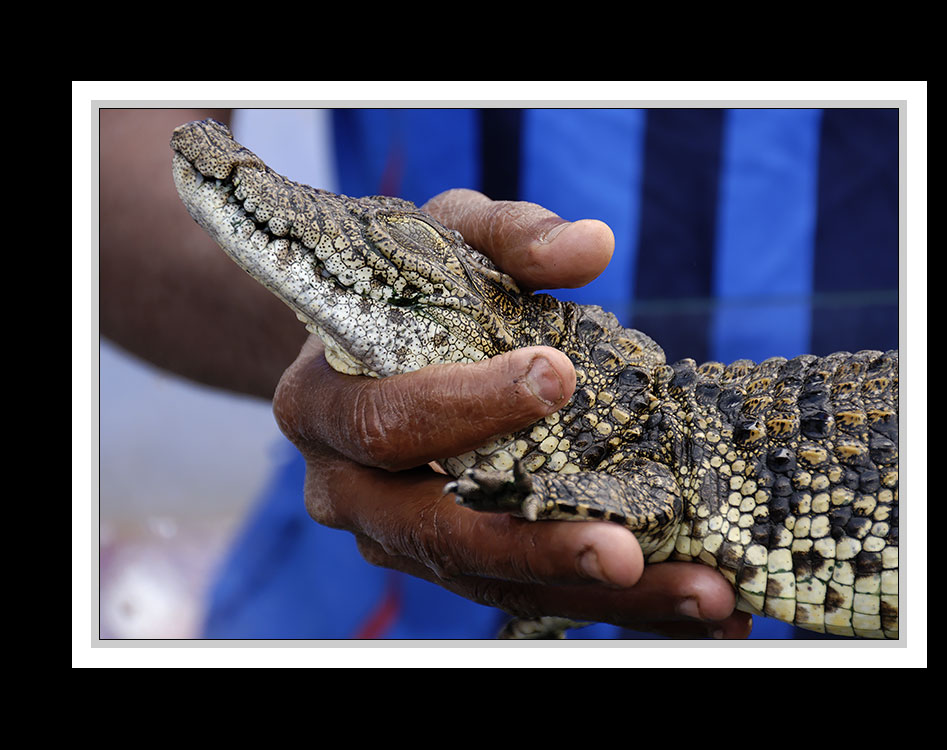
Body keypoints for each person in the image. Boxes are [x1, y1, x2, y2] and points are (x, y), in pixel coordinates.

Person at [100, 107, 898, 639]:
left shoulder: (639, 451)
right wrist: (341, 364)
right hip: (369, 594)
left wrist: (542, 494)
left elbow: (650, 497)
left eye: (384, 237)